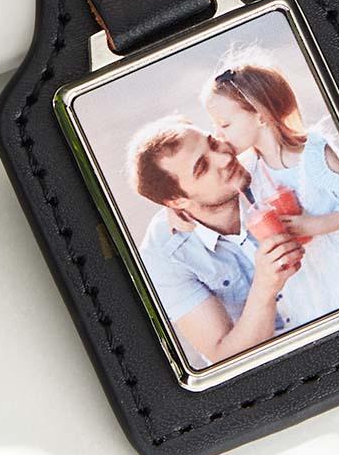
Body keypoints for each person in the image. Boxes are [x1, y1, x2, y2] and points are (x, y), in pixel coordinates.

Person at [202, 54, 339, 324]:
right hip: (308, 286)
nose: (219, 133)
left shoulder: (313, 153)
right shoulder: (251, 171)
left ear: (260, 115)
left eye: (225, 124)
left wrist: (315, 225)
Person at [129, 118, 305, 365]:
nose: (224, 158)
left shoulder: (269, 170)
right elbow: (225, 357)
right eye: (202, 167)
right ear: (177, 201)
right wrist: (265, 287)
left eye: (212, 143)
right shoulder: (164, 257)